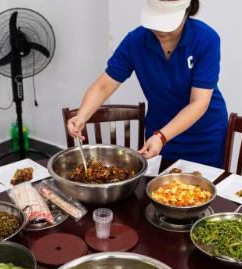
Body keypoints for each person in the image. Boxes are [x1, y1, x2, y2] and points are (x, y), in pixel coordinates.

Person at [66, 0, 228, 168]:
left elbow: (199, 103)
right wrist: (82, 115)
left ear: (187, 11)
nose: (160, 30)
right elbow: (103, 86)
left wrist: (162, 136)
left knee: (203, 190)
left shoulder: (206, 39)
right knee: (160, 189)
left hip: (204, 136)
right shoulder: (136, 41)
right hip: (159, 135)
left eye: (168, 22)